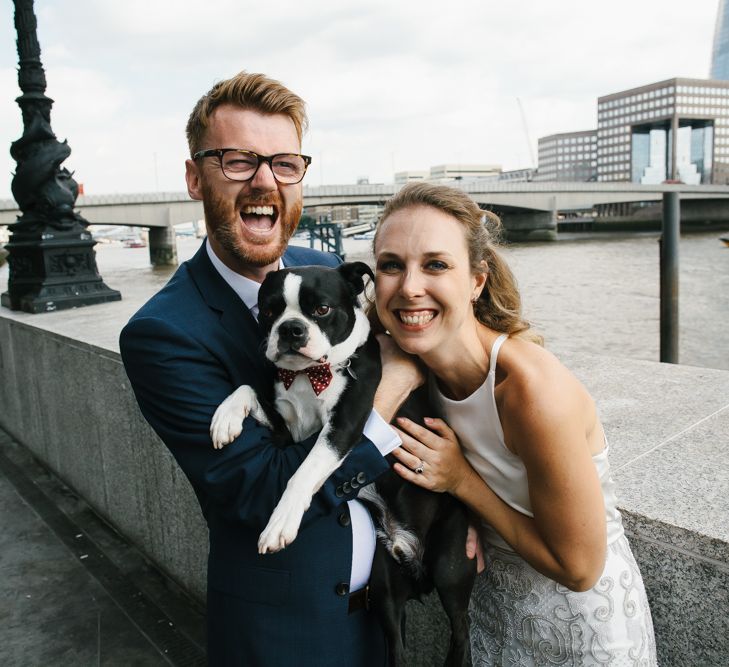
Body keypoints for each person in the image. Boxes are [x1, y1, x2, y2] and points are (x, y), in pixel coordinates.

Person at [119, 71, 423, 666]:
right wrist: (391, 388)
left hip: (386, 611)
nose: (265, 180)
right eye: (237, 161)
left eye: (284, 163)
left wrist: (464, 493)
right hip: (287, 636)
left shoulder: (326, 268)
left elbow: (436, 335)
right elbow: (259, 492)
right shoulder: (163, 333)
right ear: (193, 178)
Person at [371, 182, 658, 665]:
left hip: (585, 632)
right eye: (391, 265)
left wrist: (462, 482)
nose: (409, 286)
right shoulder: (418, 375)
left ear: (477, 280)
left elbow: (581, 568)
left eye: (436, 265)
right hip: (495, 619)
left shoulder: (531, 390)